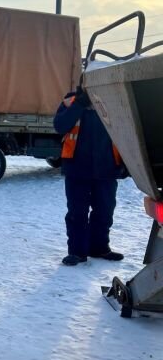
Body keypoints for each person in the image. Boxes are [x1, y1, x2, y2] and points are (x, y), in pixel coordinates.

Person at [54, 85, 125, 266]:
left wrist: (127, 164)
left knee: (105, 211)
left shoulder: (116, 100)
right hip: (77, 168)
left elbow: (127, 132)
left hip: (107, 168)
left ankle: (99, 248)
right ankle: (77, 252)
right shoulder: (71, 101)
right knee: (77, 212)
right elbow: (60, 125)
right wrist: (79, 103)